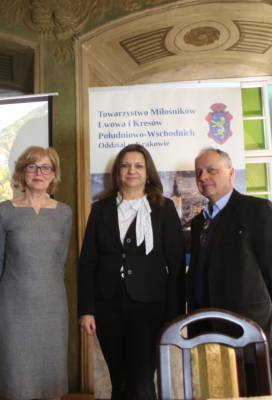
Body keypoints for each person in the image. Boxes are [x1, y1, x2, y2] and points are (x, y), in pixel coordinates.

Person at [78, 144, 185, 400]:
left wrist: (174, 316)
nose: (131, 170)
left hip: (150, 307)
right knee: (120, 383)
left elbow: (177, 265)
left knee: (141, 384)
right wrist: (86, 309)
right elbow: (87, 263)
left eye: (138, 165)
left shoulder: (164, 208)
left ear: (148, 172)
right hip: (107, 306)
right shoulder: (100, 209)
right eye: (125, 165)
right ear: (118, 171)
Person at [188, 147, 272, 393]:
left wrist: (270, 324)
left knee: (254, 395)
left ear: (231, 172)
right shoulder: (199, 222)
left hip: (249, 333)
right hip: (205, 332)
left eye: (211, 170)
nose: (203, 176)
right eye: (199, 172)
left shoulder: (256, 210)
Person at [0, 146, 72, 400]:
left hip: (52, 306)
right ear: (22, 171)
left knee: (51, 383)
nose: (39, 173)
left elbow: (61, 261)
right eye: (33, 166)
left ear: (53, 174)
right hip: (14, 307)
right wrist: (9, 295)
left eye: (46, 167)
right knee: (17, 382)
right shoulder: (4, 211)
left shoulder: (64, 212)